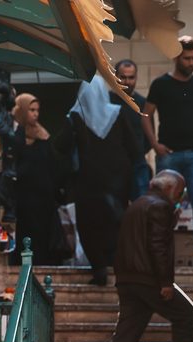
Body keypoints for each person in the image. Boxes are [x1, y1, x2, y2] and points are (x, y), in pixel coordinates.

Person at [96, 170, 193, 342]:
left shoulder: (138, 203)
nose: (180, 197)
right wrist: (165, 282)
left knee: (126, 334)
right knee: (187, 315)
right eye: (180, 191)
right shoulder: (160, 207)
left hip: (128, 278)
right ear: (169, 189)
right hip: (148, 279)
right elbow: (158, 247)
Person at [143, 36, 193, 268]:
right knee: (163, 206)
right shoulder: (160, 85)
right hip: (169, 154)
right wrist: (155, 144)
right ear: (176, 57)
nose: (191, 63)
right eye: (187, 58)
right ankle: (161, 256)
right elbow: (146, 115)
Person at [57, 73, 142, 285]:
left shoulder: (77, 117)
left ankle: (99, 270)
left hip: (89, 183)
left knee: (89, 226)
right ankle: (117, 268)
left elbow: (60, 146)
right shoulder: (118, 113)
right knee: (115, 225)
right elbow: (134, 148)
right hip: (117, 183)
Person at [11, 93, 67, 266]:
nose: (35, 114)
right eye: (31, 110)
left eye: (37, 110)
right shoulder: (14, 135)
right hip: (21, 197)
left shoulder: (43, 136)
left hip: (43, 198)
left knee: (41, 233)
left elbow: (52, 166)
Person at [114, 59, 153, 202]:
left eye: (131, 77)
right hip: (115, 163)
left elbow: (150, 134)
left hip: (138, 162)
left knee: (141, 207)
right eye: (123, 77)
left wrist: (139, 151)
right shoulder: (107, 101)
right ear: (115, 77)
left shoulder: (143, 103)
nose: (127, 81)